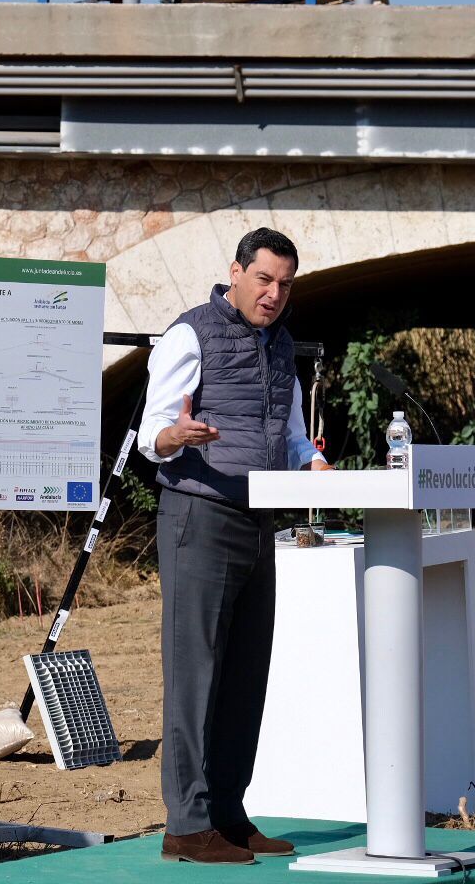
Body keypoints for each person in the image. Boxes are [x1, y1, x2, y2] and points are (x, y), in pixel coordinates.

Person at [140, 227, 332, 865]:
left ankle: (227, 811)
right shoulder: (190, 333)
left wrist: (313, 465)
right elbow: (149, 434)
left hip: (260, 523)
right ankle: (186, 825)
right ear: (236, 272)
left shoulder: (282, 349)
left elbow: (293, 435)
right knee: (195, 676)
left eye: (285, 284)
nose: (274, 295)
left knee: (247, 675)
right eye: (264, 279)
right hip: (200, 514)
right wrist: (178, 435)